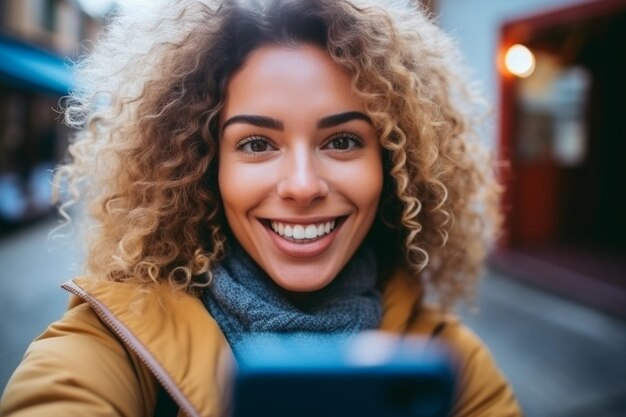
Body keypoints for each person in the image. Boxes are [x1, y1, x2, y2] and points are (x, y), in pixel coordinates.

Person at [1, 0, 522, 416]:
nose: (301, 186)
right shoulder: (115, 345)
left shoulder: (453, 365)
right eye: (256, 144)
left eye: (342, 141)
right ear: (207, 169)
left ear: (393, 164)